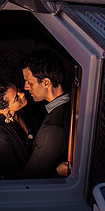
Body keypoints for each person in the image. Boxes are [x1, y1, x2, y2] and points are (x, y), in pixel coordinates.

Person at [7, 50, 71, 179]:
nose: (25, 87)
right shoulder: (70, 102)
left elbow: (31, 178)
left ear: (46, 82)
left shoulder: (52, 128)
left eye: (29, 82)